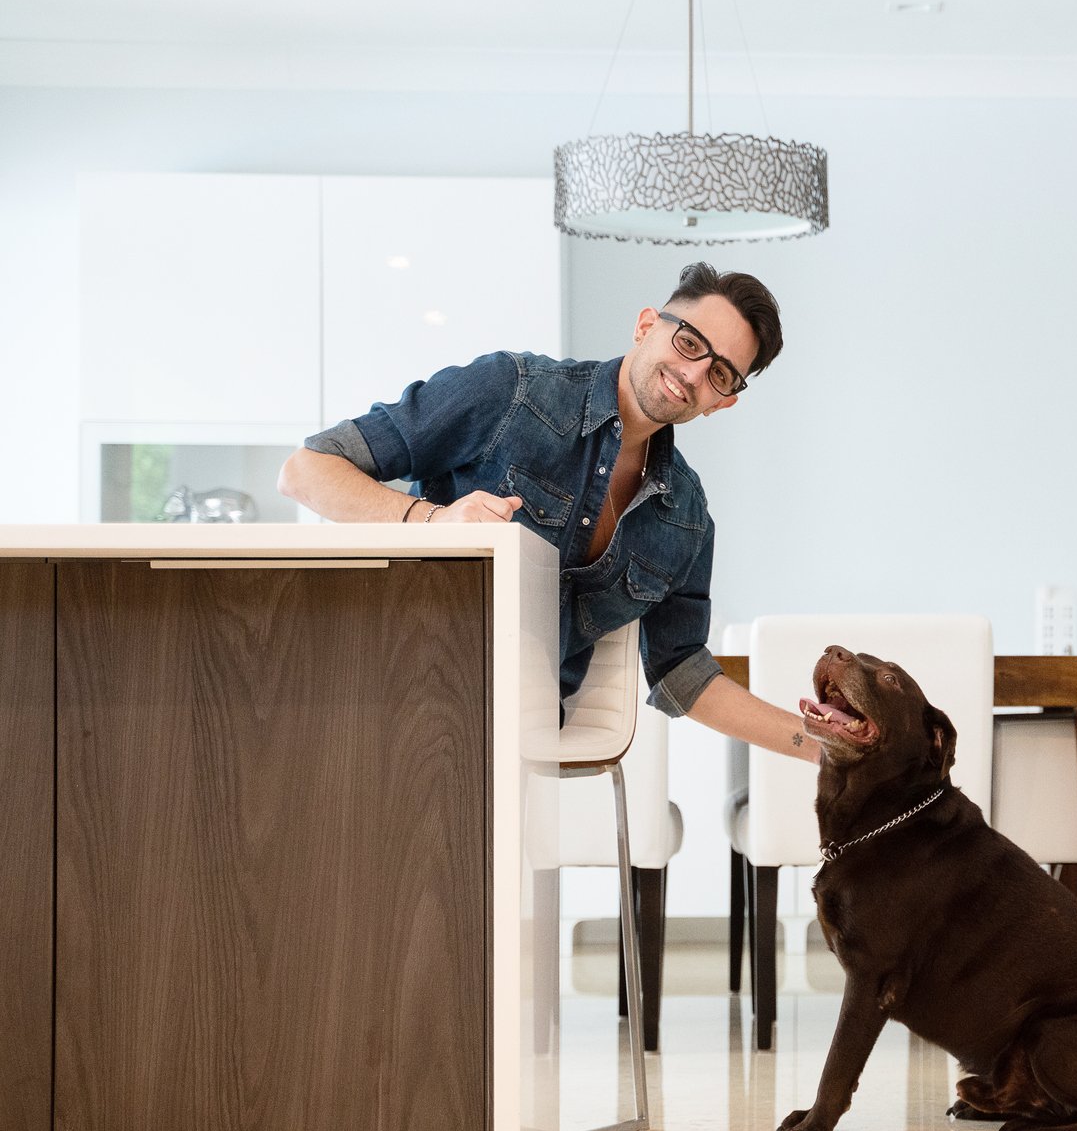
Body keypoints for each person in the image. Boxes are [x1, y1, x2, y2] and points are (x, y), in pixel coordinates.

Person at [279, 262, 819, 762]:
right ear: (646, 325)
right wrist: (433, 521)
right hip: (387, 699)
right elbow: (308, 469)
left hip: (520, 747)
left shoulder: (687, 521)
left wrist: (825, 750)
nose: (694, 373)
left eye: (721, 374)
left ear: (723, 401)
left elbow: (682, 675)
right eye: (688, 342)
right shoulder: (509, 391)